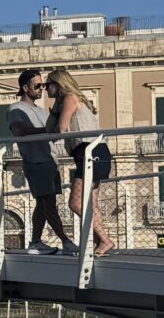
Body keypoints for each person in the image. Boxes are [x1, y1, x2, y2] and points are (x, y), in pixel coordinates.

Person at [47, 67, 115, 256]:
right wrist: (54, 110)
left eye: (48, 85)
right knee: (90, 203)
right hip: (90, 153)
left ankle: (106, 240)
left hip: (90, 152)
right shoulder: (64, 101)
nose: (45, 89)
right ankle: (100, 242)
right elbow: (49, 130)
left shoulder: (70, 98)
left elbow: (60, 129)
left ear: (58, 84)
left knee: (76, 203)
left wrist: (58, 116)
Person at [8, 70, 72, 254]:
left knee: (43, 204)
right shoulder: (16, 109)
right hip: (35, 162)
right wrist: (45, 131)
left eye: (43, 85)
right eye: (37, 85)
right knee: (48, 203)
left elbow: (55, 130)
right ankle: (65, 241)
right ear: (25, 87)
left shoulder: (42, 111)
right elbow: (19, 131)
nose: (42, 89)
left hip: (51, 162)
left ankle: (35, 241)